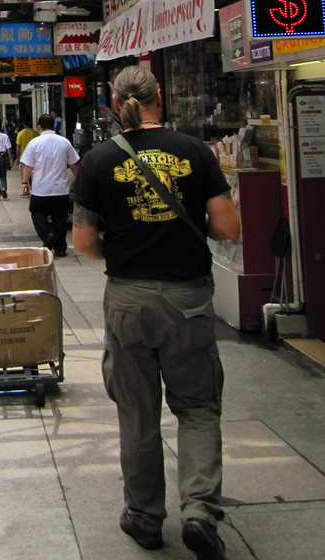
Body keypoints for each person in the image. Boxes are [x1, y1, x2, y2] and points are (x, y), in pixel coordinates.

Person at [69, 66, 240, 559]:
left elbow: (83, 242)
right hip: (189, 301)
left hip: (128, 301)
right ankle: (200, 511)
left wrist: (126, 256)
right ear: (159, 98)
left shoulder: (98, 160)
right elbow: (227, 228)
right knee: (199, 407)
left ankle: (144, 517)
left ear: (114, 101)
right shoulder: (195, 151)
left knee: (137, 413)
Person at [20, 114, 80, 256]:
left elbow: (27, 166)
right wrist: (81, 180)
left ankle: (46, 236)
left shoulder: (35, 143)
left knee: (36, 212)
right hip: (61, 190)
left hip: (41, 189)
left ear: (39, 127)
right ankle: (60, 247)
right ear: (53, 126)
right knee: (59, 218)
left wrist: (24, 182)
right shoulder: (64, 142)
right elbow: (74, 165)